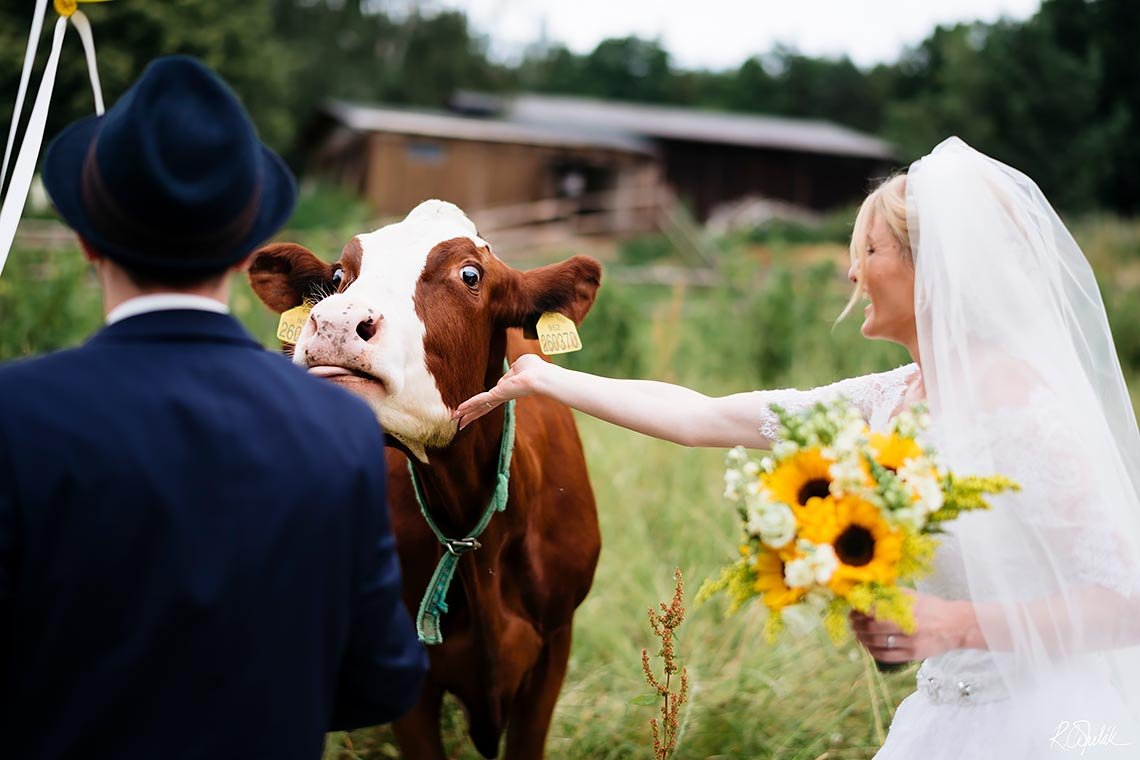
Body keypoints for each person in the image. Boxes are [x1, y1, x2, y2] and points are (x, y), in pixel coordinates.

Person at [455, 137, 1140, 757]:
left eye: (868, 251)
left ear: (935, 267)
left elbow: (1124, 605)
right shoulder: (892, 398)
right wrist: (542, 379)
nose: (851, 274)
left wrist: (957, 624)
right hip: (943, 720)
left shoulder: (1026, 408)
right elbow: (706, 417)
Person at [0, 56, 427, 759]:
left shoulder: (15, 418)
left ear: (84, 241)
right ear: (241, 254)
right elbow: (381, 682)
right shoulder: (340, 430)